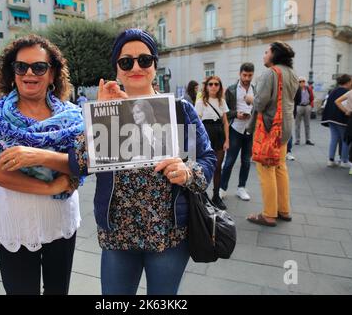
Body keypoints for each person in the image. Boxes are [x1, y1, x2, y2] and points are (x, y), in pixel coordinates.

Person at [67, 28, 216, 295]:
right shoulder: (104, 110)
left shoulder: (180, 110)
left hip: (168, 233)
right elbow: (78, 165)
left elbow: (206, 159)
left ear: (155, 66)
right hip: (118, 234)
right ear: (117, 69)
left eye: (144, 60)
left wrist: (188, 171)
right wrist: (99, 118)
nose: (136, 67)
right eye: (126, 61)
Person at [0, 35, 84, 295]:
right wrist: (51, 187)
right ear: (11, 72)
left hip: (60, 221)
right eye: (21, 67)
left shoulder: (73, 115)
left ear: (52, 74)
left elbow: (84, 163)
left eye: (39, 67)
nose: (29, 73)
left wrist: (37, 156)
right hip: (15, 223)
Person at [246, 41, 298, 227]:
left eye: (266, 52)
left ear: (274, 54)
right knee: (280, 167)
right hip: (285, 127)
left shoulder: (271, 73)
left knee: (266, 169)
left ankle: (268, 214)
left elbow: (260, 103)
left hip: (270, 128)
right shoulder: (292, 73)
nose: (264, 54)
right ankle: (284, 210)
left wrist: (251, 98)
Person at [219, 62, 255, 202]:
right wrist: (236, 114)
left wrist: (252, 114)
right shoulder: (232, 90)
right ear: (239, 74)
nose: (246, 78)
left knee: (246, 161)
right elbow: (225, 111)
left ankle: (241, 188)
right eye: (244, 75)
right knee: (229, 161)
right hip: (235, 129)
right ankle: (222, 188)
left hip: (249, 130)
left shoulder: (255, 90)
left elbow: (259, 109)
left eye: (249, 75)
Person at [195, 76, 230, 210]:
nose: (214, 86)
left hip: (219, 133)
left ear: (220, 86)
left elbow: (225, 122)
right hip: (206, 133)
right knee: (203, 166)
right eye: (211, 84)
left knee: (218, 167)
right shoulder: (201, 102)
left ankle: (216, 196)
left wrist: (227, 140)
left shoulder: (222, 101)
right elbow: (197, 122)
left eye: (216, 84)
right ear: (207, 86)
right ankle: (202, 195)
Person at [321, 74, 352, 168]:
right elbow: (347, 105)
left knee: (334, 139)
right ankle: (344, 160)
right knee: (345, 140)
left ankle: (331, 160)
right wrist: (347, 112)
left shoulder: (333, 91)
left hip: (330, 118)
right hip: (341, 119)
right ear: (348, 82)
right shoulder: (347, 92)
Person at [294, 77, 315, 146]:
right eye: (300, 81)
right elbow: (294, 99)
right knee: (297, 124)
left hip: (307, 106)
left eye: (303, 81)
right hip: (299, 106)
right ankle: (297, 140)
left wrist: (310, 106)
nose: (302, 83)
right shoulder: (296, 89)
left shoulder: (308, 89)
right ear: (298, 82)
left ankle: (308, 139)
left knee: (307, 124)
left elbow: (312, 97)